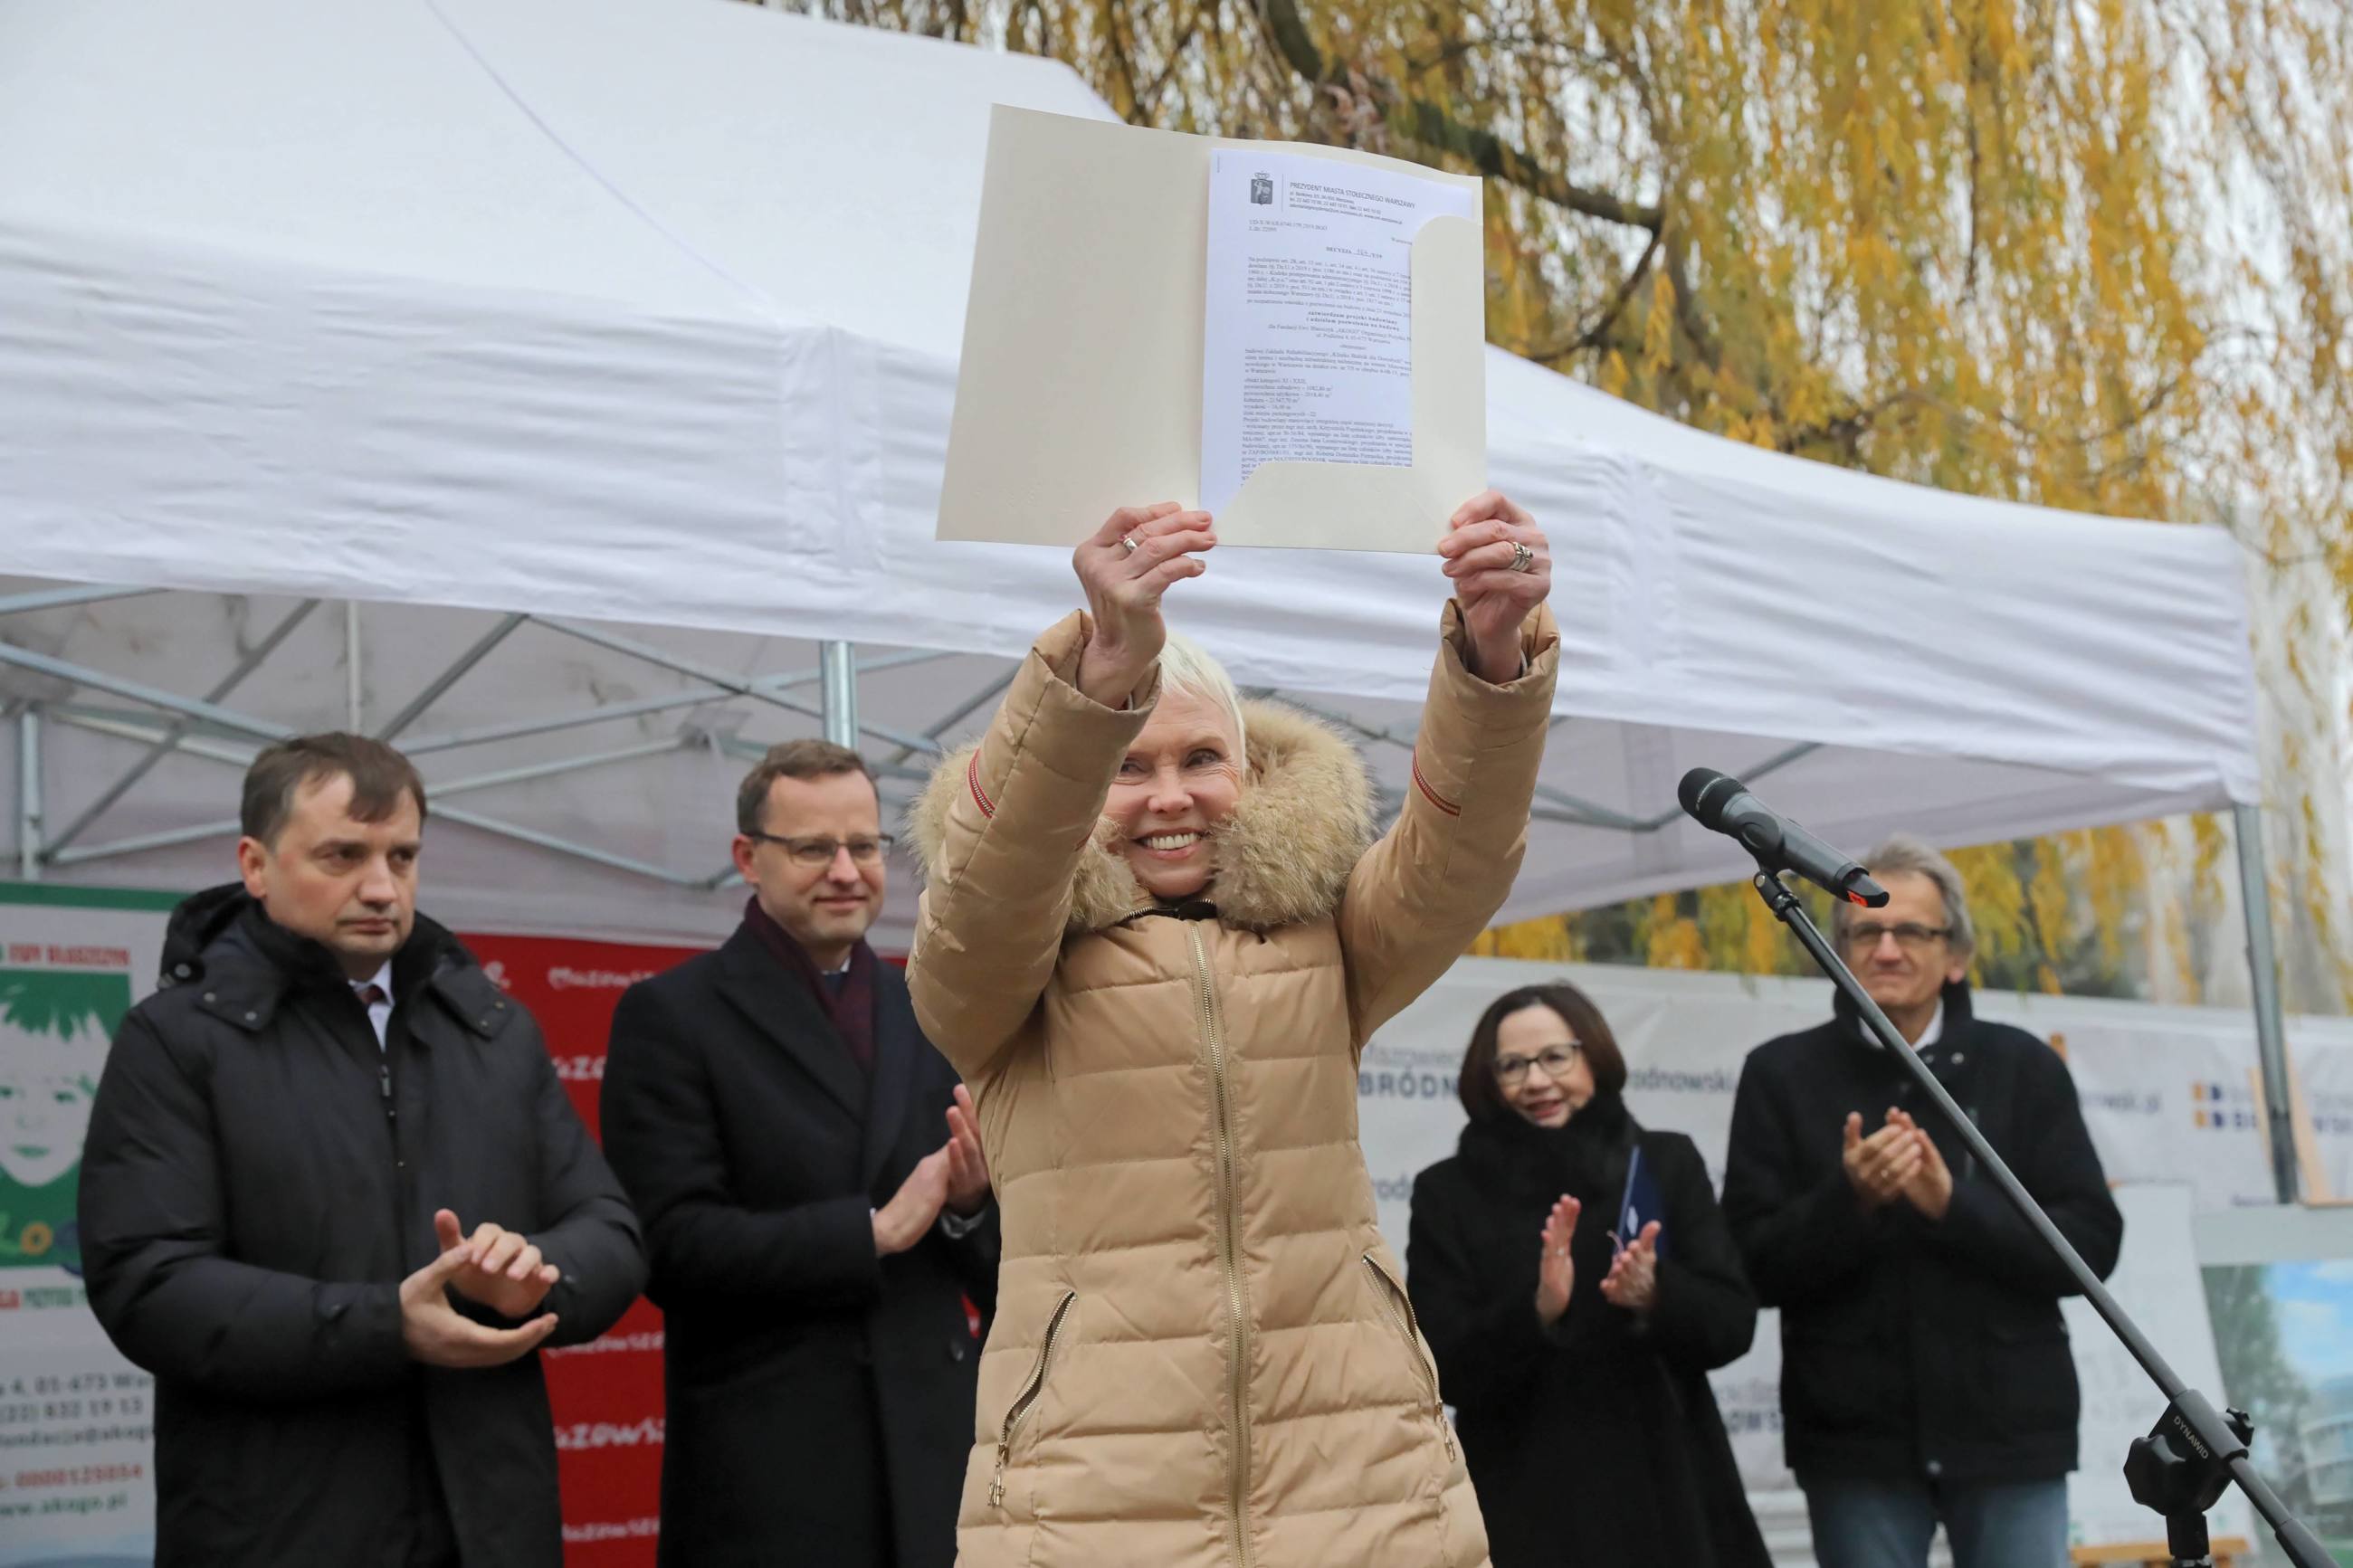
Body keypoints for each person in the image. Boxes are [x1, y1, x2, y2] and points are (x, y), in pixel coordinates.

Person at [905, 494, 1558, 1568]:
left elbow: (1462, 855)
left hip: (1362, 1476)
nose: (1169, 796)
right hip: (1094, 1500)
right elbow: (991, 883)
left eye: (1202, 757)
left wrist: (1492, 656)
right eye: (1126, 764)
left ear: (1250, 776)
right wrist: (1098, 673)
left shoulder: (1327, 936)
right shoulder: (1005, 967)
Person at [78, 733, 646, 1568]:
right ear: (256, 862)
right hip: (278, 1527)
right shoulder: (176, 1039)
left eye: (403, 855)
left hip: (489, 1523)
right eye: (342, 855)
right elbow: (148, 1281)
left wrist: (534, 1272)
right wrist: (387, 1326)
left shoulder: (491, 1029)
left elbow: (611, 1230)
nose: (381, 886)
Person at [601, 739, 1000, 1568]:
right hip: (771, 1473)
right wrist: (868, 1234)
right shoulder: (672, 1017)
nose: (847, 870)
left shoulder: (929, 1005)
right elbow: (668, 1248)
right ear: (748, 857)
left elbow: (1006, 1265)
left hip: (935, 1458)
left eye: (864, 845)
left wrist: (966, 1208)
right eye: (814, 848)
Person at [1720, 833, 2124, 1568]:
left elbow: (2091, 1246)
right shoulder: (1780, 1073)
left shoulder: (2022, 1067)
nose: (1887, 948)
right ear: (1834, 948)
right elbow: (1747, 1263)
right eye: (1865, 930)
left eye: (1911, 929)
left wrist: (1952, 1205)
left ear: (1957, 954)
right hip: (1854, 1439)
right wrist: (1851, 1200)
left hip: (2010, 1431)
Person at [1407, 982, 1770, 1568]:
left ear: (1594, 1056)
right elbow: (1441, 1367)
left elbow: (1732, 1322)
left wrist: (1656, 1292)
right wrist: (1539, 1312)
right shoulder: (1448, 1193)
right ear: (1487, 1079)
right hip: (1527, 1493)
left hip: (1669, 1483)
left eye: (1556, 1056)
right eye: (1513, 1065)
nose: (1537, 1081)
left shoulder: (1664, 1162)